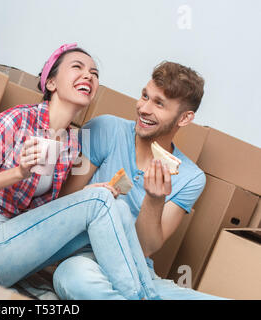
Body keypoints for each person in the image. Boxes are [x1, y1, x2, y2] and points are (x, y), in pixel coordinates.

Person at [0, 43, 163, 300]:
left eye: (94, 74)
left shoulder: (72, 142)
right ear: (51, 83)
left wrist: (85, 195)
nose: (89, 76)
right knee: (100, 202)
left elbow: (43, 217)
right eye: (78, 67)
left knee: (117, 206)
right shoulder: (17, 120)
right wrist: (18, 173)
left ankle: (150, 296)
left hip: (14, 246)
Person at [52, 61, 226, 300]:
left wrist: (155, 200)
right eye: (145, 96)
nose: (144, 108)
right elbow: (62, 205)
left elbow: (145, 248)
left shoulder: (190, 177)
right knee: (74, 279)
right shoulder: (105, 128)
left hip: (138, 271)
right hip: (84, 259)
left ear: (184, 118)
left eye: (159, 104)